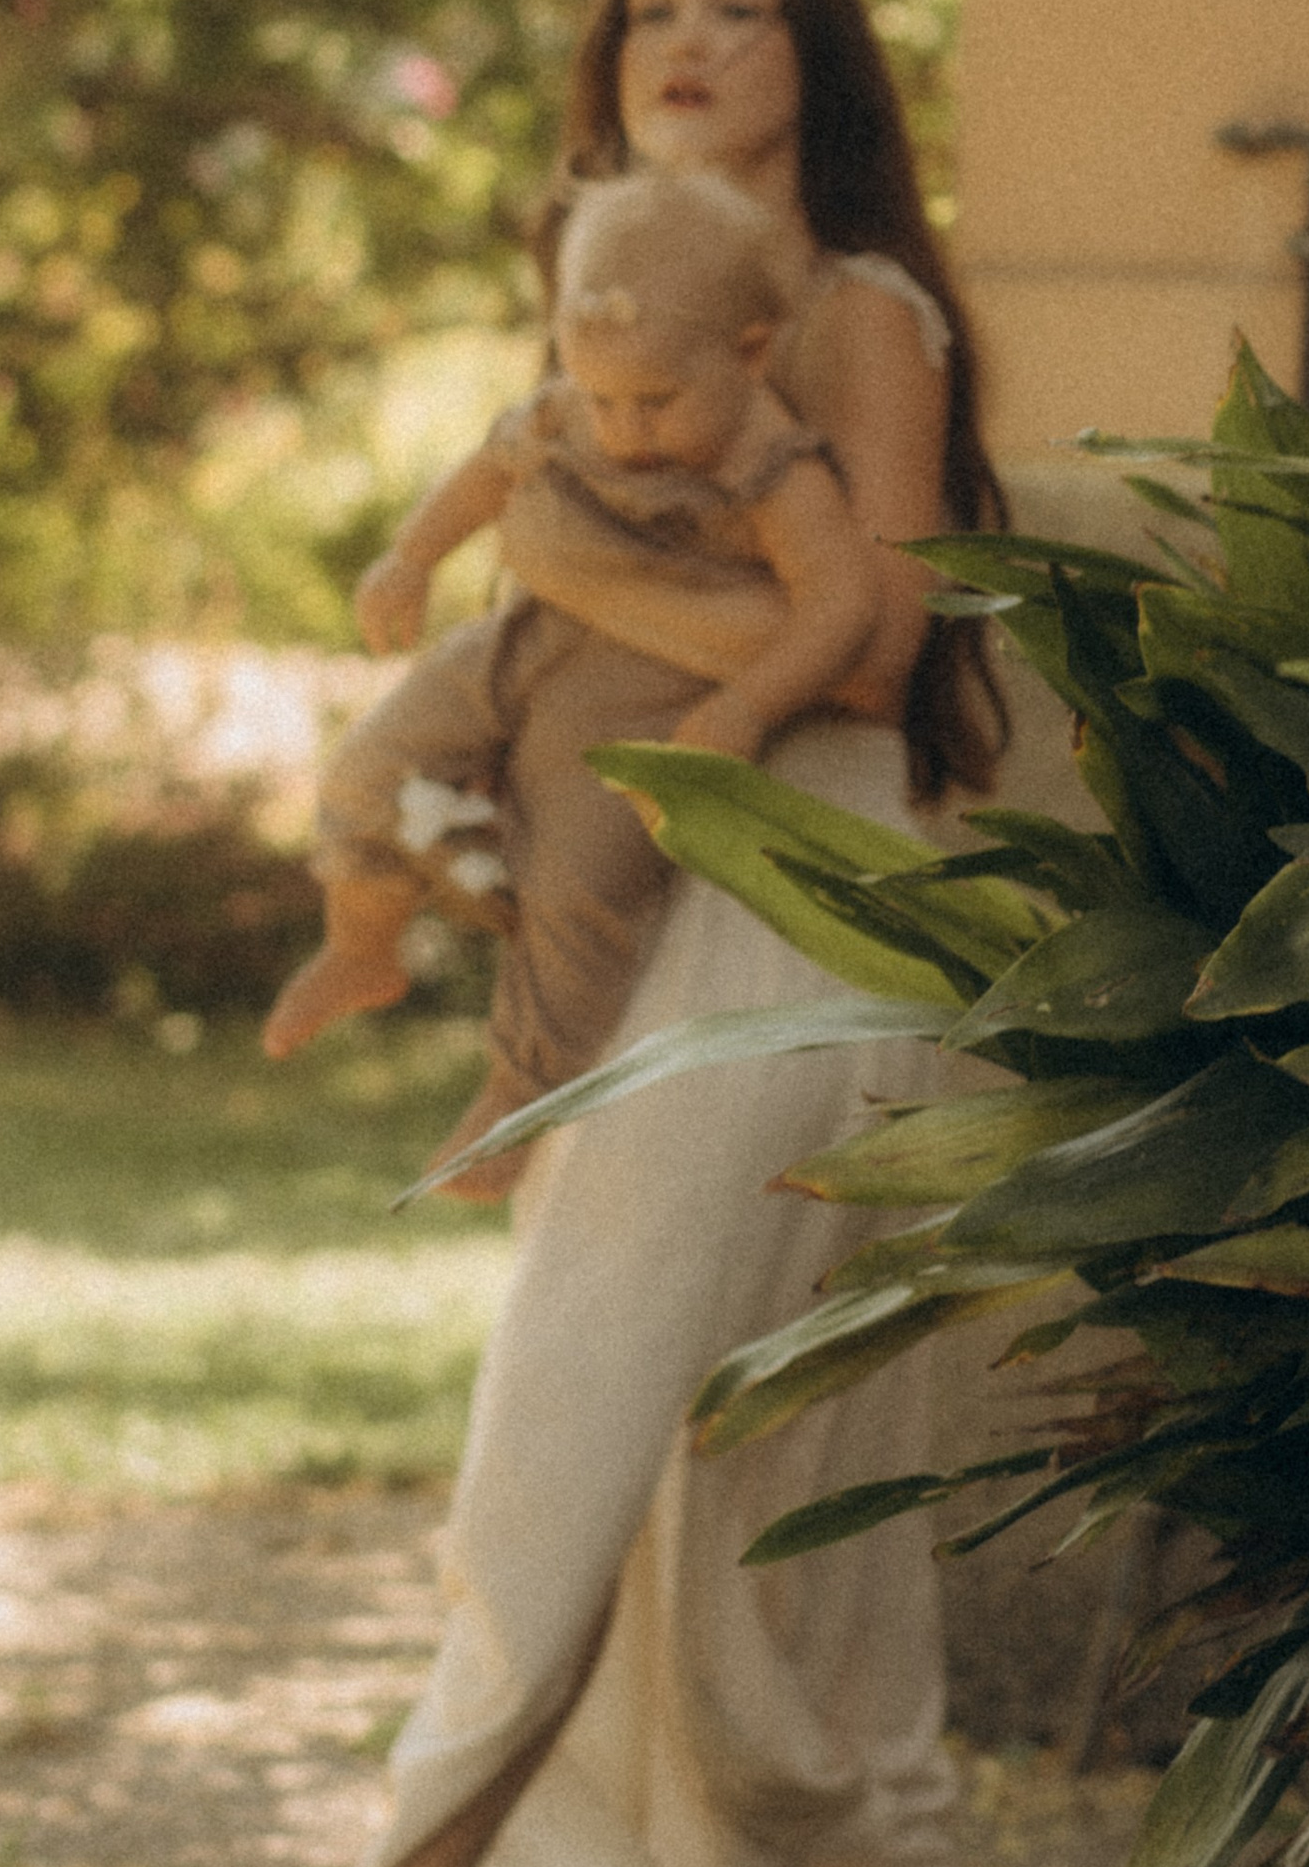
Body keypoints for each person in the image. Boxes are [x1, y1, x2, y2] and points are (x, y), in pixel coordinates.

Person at [205, 0, 1010, 1867]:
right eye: (655, 7)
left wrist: (564, 579)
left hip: (802, 887)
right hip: (659, 894)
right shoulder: (618, 286)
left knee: (600, 1393)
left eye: (740, 8)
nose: (688, 41)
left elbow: (879, 648)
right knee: (694, 1441)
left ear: (812, 59)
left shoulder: (853, 316)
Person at [260, 165, 881, 1197]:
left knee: (577, 889)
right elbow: (488, 470)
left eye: (656, 402)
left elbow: (842, 607)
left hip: (640, 698)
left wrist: (745, 705)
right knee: (371, 764)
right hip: (521, 638)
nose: (623, 429)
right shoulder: (570, 411)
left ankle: (523, 1094)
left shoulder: (776, 469)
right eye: (600, 399)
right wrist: (412, 558)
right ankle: (360, 944)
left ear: (751, 352)